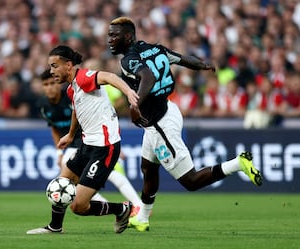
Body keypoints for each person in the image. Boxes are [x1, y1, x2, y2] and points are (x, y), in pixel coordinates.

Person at [107, 16, 263, 232]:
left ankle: (238, 163)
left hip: (159, 122)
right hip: (167, 110)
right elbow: (181, 59)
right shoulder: (155, 48)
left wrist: (134, 106)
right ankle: (142, 218)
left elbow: (148, 77)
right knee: (148, 168)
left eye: (114, 35)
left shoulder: (129, 60)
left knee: (191, 181)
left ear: (128, 36)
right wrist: (202, 65)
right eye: (109, 35)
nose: (109, 40)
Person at [28, 45, 139, 234]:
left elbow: (109, 77)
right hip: (87, 146)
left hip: (105, 148)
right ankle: (55, 226)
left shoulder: (84, 78)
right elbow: (77, 111)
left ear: (69, 65)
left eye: (55, 66)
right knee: (60, 183)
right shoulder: (72, 89)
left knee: (78, 206)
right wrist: (71, 135)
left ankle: (122, 209)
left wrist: (128, 92)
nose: (52, 71)